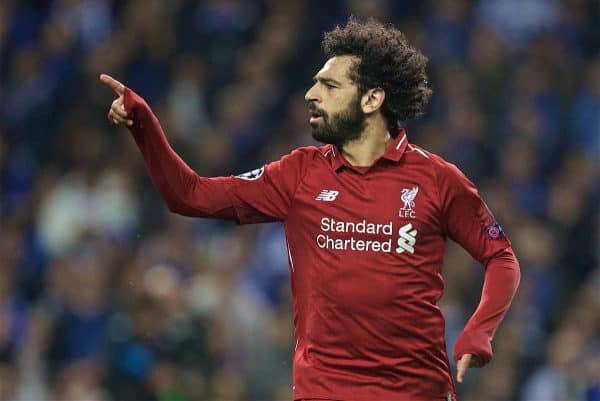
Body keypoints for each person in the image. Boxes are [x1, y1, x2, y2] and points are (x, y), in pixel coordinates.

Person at [100, 17, 520, 401]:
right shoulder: (298, 173)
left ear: (373, 98)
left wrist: (478, 333)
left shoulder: (437, 179)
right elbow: (188, 195)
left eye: (330, 86)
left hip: (415, 393)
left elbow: (500, 256)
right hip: (323, 392)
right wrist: (145, 128)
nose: (311, 94)